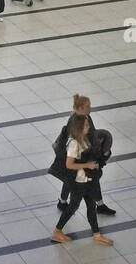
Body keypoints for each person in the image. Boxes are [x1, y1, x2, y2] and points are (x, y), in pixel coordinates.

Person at [49, 113, 113, 246]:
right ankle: (57, 231)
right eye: (86, 125)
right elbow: (69, 164)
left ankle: (97, 234)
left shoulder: (85, 139)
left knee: (90, 205)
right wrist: (87, 165)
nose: (89, 127)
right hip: (78, 182)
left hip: (86, 180)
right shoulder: (74, 144)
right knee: (73, 206)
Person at [53, 94, 115, 218]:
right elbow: (79, 139)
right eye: (87, 106)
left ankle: (63, 201)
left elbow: (90, 134)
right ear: (80, 108)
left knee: (73, 179)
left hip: (83, 154)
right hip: (79, 156)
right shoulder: (76, 121)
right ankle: (98, 205)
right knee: (86, 178)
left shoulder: (84, 116)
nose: (90, 108)